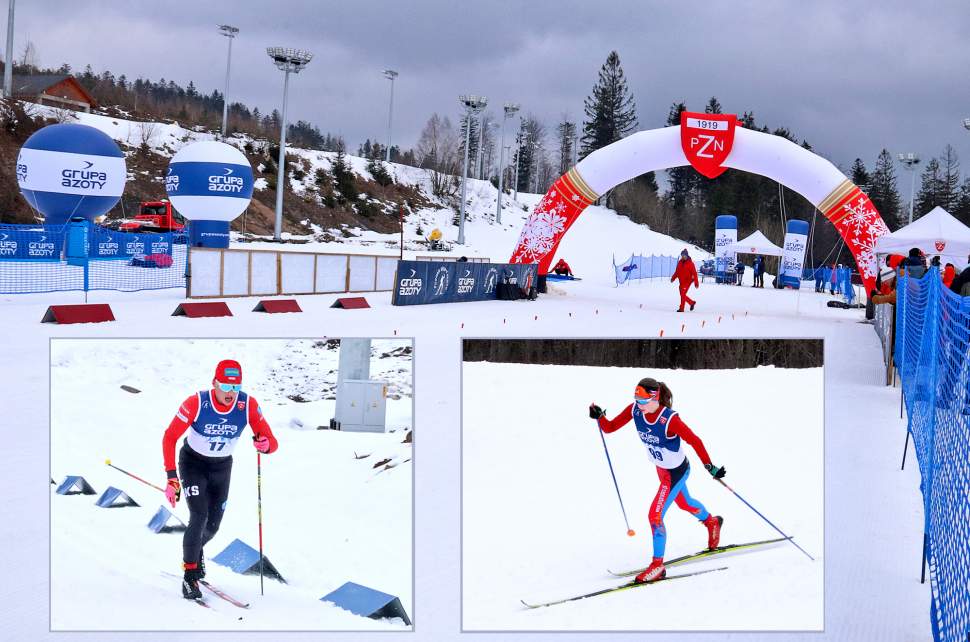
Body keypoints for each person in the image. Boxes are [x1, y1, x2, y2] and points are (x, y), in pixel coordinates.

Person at [162, 360, 279, 601]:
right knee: (199, 516)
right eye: (225, 386)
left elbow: (271, 440)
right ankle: (190, 575)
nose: (230, 394)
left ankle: (195, 550)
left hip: (222, 467)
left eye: (235, 388)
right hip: (193, 463)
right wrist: (171, 477)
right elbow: (170, 436)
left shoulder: (247, 405)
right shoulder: (196, 403)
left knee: (213, 526)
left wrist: (265, 445)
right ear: (214, 383)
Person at [589, 378, 725, 584]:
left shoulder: (669, 419)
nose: (639, 404)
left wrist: (710, 466)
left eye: (643, 400)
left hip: (676, 473)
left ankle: (657, 566)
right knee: (685, 502)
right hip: (662, 471)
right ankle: (712, 522)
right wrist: (599, 417)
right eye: (636, 399)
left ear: (656, 398)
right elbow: (610, 427)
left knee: (655, 515)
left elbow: (695, 441)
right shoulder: (636, 410)